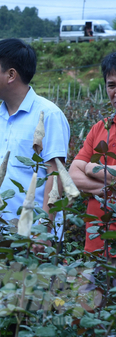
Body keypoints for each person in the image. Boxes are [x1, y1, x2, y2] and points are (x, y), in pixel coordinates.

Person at [0, 38, 69, 231]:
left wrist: (42, 228)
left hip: (33, 236)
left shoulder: (48, 115)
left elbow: (55, 175)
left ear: (11, 75)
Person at [69, 52, 116, 256]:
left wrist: (90, 168)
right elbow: (72, 174)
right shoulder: (101, 127)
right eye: (112, 85)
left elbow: (83, 168)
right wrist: (105, 189)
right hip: (96, 246)